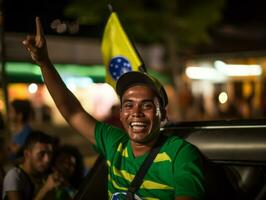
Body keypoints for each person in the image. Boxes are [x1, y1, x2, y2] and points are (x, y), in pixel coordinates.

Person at [22, 17, 205, 200]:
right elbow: (72, 111)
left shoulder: (180, 154)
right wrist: (44, 63)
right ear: (121, 112)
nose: (136, 113)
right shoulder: (115, 143)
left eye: (147, 105)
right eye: (128, 104)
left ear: (163, 115)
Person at [2, 130, 63, 200]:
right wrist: (45, 190)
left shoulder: (44, 178)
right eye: (41, 154)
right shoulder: (14, 176)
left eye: (49, 153)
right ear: (27, 154)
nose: (47, 159)